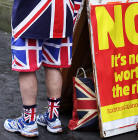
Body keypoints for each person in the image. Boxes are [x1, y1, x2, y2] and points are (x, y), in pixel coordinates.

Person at [4, 0, 82, 137]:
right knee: (54, 65)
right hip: (63, 12)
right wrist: (72, 13)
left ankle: (28, 123)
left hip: (30, 13)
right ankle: (53, 119)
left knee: (27, 68)